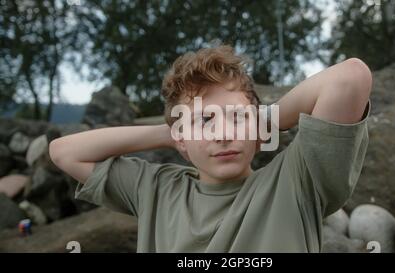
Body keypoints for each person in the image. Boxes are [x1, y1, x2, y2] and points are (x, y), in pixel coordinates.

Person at [49, 44, 372, 252]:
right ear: (181, 138)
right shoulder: (155, 189)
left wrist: (265, 120)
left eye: (235, 118)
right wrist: (173, 132)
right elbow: (64, 152)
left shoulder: (298, 181)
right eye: (205, 122)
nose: (222, 135)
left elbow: (350, 77)